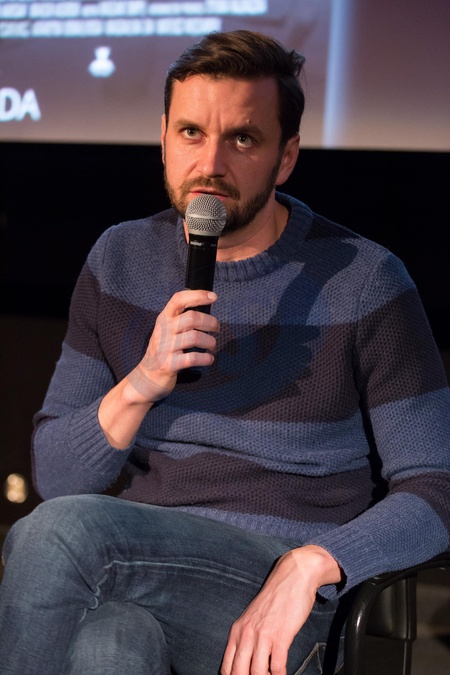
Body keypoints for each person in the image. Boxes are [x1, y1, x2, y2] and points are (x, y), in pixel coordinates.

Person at [1, 29, 449, 675]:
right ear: (163, 139)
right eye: (191, 132)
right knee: (108, 640)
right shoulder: (120, 257)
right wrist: (143, 381)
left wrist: (314, 562)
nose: (210, 162)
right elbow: (59, 477)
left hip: (285, 601)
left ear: (285, 157)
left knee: (61, 534)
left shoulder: (364, 279)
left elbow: (437, 486)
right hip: (136, 562)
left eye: (242, 139)